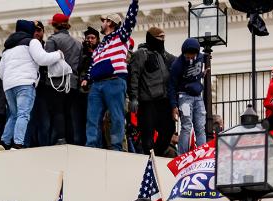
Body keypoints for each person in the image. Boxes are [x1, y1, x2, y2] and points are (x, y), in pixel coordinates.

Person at [0, 20, 64, 150]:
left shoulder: (7, 48)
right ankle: (18, 144)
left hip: (8, 85)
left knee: (14, 114)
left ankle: (4, 142)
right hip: (25, 83)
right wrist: (58, 54)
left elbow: (1, 72)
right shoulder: (32, 42)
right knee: (23, 114)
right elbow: (42, 59)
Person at [85, 0, 139, 151]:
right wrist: (87, 78)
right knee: (92, 118)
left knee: (116, 117)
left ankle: (117, 148)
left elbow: (130, 20)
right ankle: (91, 147)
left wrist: (134, 3)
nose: (101, 24)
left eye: (104, 21)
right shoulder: (100, 46)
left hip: (114, 81)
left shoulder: (121, 36)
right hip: (97, 84)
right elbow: (94, 63)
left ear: (110, 23)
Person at [129, 27, 175, 156]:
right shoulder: (140, 54)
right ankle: (149, 158)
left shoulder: (166, 56)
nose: (162, 40)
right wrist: (134, 98)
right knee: (147, 134)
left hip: (163, 101)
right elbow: (134, 76)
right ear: (151, 38)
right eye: (159, 37)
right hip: (147, 101)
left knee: (169, 129)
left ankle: (157, 154)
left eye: (164, 37)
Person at [44, 14, 83, 146]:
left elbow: (46, 61)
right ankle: (70, 141)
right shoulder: (78, 43)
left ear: (54, 25)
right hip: (72, 83)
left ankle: (61, 139)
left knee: (58, 111)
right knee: (68, 112)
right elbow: (80, 64)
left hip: (57, 83)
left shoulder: (52, 40)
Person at [168, 37, 206, 154]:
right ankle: (182, 154)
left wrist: (203, 74)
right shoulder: (177, 65)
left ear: (197, 53)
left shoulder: (201, 57)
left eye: (192, 56)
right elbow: (172, 86)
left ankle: (202, 153)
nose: (190, 58)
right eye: (187, 56)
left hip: (197, 96)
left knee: (200, 127)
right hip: (184, 97)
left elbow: (205, 60)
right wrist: (174, 106)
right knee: (186, 126)